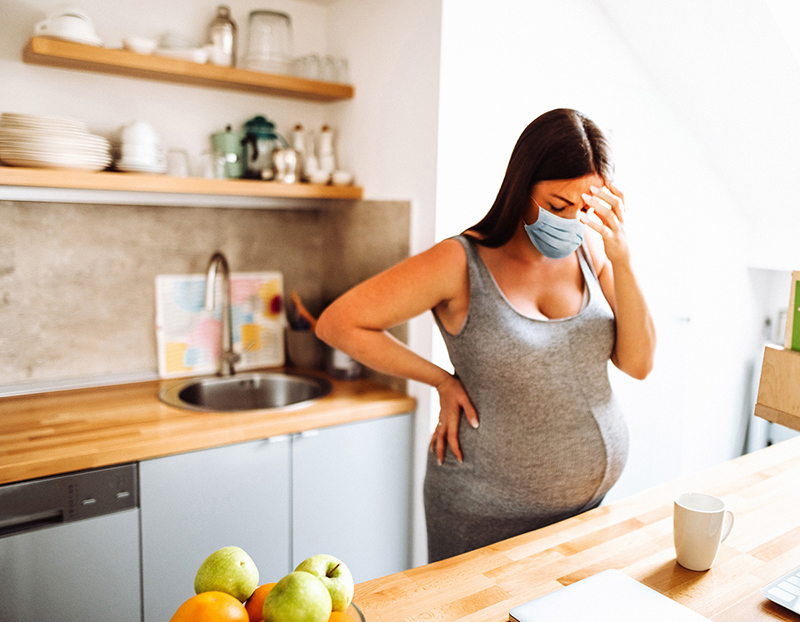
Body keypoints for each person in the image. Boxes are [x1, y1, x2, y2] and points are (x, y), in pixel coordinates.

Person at [315, 108, 656, 563]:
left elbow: (639, 363)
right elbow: (339, 323)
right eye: (558, 206)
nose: (571, 219)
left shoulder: (592, 250)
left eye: (585, 207)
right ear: (522, 186)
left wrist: (624, 262)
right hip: (485, 520)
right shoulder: (460, 262)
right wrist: (441, 379)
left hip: (586, 516)